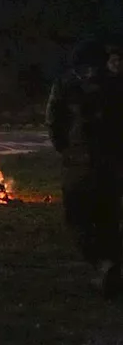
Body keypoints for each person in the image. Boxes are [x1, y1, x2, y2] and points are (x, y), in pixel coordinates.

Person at [46, 39, 123, 298]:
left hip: (80, 164)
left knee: (78, 218)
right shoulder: (115, 84)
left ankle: (104, 266)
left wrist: (66, 149)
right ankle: (110, 266)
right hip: (110, 164)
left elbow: (54, 122)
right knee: (108, 218)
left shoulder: (67, 84)